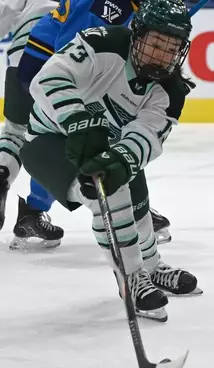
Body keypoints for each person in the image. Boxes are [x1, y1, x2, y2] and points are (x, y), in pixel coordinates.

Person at [19, 0, 201, 321]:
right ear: (138, 33)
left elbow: (146, 137)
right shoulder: (102, 42)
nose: (161, 55)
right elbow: (47, 80)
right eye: (156, 43)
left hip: (103, 144)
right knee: (108, 195)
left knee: (137, 197)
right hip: (46, 143)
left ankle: (153, 266)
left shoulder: (171, 91)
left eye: (171, 48)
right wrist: (78, 121)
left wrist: (121, 160)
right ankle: (131, 278)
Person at [0, 0, 173, 251]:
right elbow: (75, 47)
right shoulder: (116, 4)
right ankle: (128, 210)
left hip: (25, 55)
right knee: (100, 131)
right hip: (48, 66)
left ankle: (17, 190)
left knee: (17, 131)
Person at [0, 0, 64, 249]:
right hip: (64, 59)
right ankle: (33, 212)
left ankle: (2, 171)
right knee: (58, 139)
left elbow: (5, 12)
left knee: (14, 132)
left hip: (22, 55)